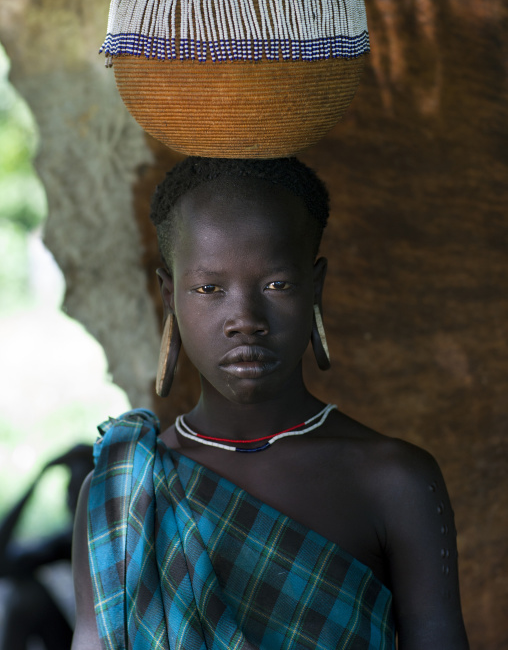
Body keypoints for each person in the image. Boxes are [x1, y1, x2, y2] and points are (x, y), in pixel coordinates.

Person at [71, 156, 469, 650]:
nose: (244, 318)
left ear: (315, 288)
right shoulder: (121, 493)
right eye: (209, 288)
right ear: (170, 296)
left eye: (276, 284)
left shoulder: (395, 479)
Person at [0, 444, 93, 650]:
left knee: (26, 599)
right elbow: (3, 563)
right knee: (26, 595)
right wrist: (40, 476)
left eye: (79, 490)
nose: (70, 501)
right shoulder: (69, 542)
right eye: (68, 491)